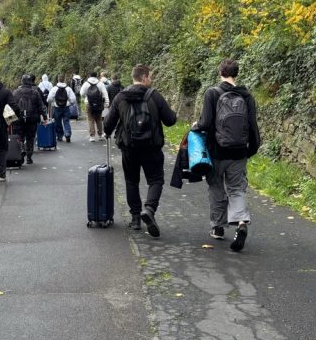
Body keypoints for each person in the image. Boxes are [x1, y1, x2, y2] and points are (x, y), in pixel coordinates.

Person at [194, 57, 261, 252]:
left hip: (216, 152)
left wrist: (196, 126)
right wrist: (251, 149)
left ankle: (218, 227)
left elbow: (205, 123)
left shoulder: (212, 93)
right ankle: (241, 223)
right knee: (237, 188)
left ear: (220, 73)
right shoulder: (247, 95)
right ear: (236, 73)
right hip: (239, 152)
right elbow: (252, 125)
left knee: (216, 186)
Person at [104, 64, 177, 236]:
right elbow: (171, 120)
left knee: (131, 181)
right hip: (152, 147)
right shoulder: (154, 96)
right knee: (156, 180)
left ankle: (136, 219)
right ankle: (149, 209)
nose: (151, 79)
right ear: (144, 77)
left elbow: (108, 125)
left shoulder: (121, 97)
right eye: (150, 76)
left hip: (129, 148)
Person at [12, 73, 48, 164]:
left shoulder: (15, 92)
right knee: (30, 138)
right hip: (32, 119)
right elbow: (41, 106)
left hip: (18, 119)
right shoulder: (35, 92)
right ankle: (29, 156)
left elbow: (11, 106)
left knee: (19, 137)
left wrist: (9, 119)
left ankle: (21, 151)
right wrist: (45, 117)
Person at [80, 71, 110, 142]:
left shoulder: (86, 83)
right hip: (99, 104)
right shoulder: (100, 83)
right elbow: (105, 93)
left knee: (91, 119)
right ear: (96, 76)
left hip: (89, 103)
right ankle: (100, 135)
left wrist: (86, 97)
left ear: (89, 76)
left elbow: (81, 93)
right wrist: (107, 102)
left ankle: (92, 136)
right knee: (99, 119)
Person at [47, 75, 77, 143]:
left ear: (58, 80)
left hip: (57, 107)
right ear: (64, 80)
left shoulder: (54, 88)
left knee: (58, 122)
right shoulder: (68, 88)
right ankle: (67, 133)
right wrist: (71, 103)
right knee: (66, 121)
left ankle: (59, 136)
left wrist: (53, 102)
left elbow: (49, 99)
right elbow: (73, 99)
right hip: (66, 107)